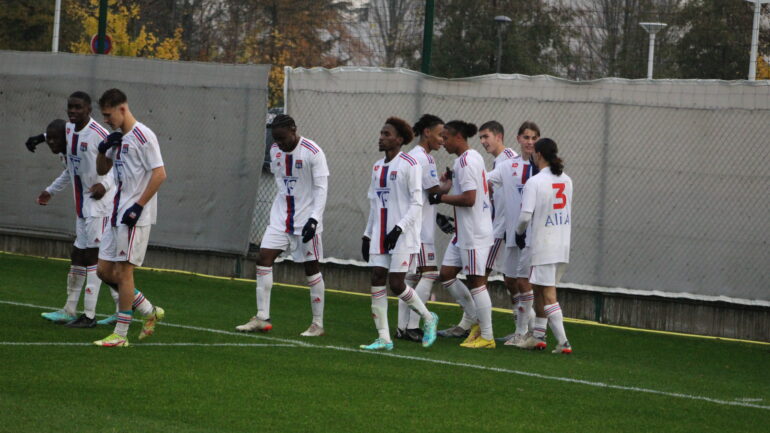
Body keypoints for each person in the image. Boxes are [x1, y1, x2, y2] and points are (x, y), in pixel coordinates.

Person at [28, 92, 119, 328]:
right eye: (70, 107)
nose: (73, 111)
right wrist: (39, 139)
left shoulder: (100, 135)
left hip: (100, 205)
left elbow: (116, 166)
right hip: (82, 205)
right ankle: (70, 309)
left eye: (78, 107)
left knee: (95, 259)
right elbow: (67, 162)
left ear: (89, 109)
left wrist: (105, 184)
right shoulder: (69, 130)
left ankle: (89, 316)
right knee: (78, 255)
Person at [236, 114, 328, 337]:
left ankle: (317, 324)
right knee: (263, 258)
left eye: (283, 138)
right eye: (276, 139)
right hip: (281, 220)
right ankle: (262, 317)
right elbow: (281, 183)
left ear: (294, 129)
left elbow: (321, 188)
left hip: (307, 222)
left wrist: (314, 219)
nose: (280, 143)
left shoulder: (313, 151)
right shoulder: (275, 151)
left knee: (311, 268)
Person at [93, 88, 167, 347]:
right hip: (114, 213)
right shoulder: (118, 137)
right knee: (103, 271)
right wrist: (103, 150)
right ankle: (149, 311)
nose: (105, 120)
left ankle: (120, 335)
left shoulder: (143, 136)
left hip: (133, 216)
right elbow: (103, 169)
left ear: (122, 109)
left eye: (108, 114)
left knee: (124, 273)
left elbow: (159, 174)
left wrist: (138, 206)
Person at [360, 117, 439, 351]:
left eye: (386, 134)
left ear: (399, 139)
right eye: (381, 133)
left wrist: (398, 229)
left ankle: (428, 317)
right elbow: (375, 204)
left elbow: (417, 203)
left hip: (403, 235)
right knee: (376, 277)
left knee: (396, 283)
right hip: (380, 234)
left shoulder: (409, 164)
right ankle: (384, 338)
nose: (381, 138)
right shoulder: (377, 167)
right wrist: (367, 235)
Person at [429, 120, 495, 349]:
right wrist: (447, 185)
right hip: (464, 233)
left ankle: (486, 336)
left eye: (445, 137)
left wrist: (441, 198)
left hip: (474, 233)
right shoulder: (470, 159)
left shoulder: (467, 162)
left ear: (458, 137)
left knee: (477, 283)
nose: (442, 142)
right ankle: (471, 320)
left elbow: (469, 199)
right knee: (447, 274)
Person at [514, 138, 573, 354]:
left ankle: (564, 342)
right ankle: (538, 336)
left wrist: (518, 233)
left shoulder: (535, 182)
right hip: (562, 244)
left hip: (543, 245)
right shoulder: (567, 180)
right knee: (539, 288)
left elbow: (524, 216)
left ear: (538, 154)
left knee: (548, 294)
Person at [486, 121, 541, 345]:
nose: (529, 142)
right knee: (510, 280)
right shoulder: (509, 166)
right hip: (512, 233)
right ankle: (526, 326)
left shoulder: (543, 169)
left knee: (523, 281)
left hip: (532, 235)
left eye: (534, 138)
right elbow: (487, 178)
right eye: (526, 137)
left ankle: (524, 331)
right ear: (518, 139)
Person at [395, 114, 448, 343]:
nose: (442, 140)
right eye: (439, 135)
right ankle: (415, 325)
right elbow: (435, 191)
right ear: (427, 132)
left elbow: (427, 195)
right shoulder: (424, 159)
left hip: (413, 225)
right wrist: (452, 181)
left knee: (410, 277)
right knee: (429, 274)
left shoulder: (411, 157)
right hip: (420, 230)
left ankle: (401, 327)